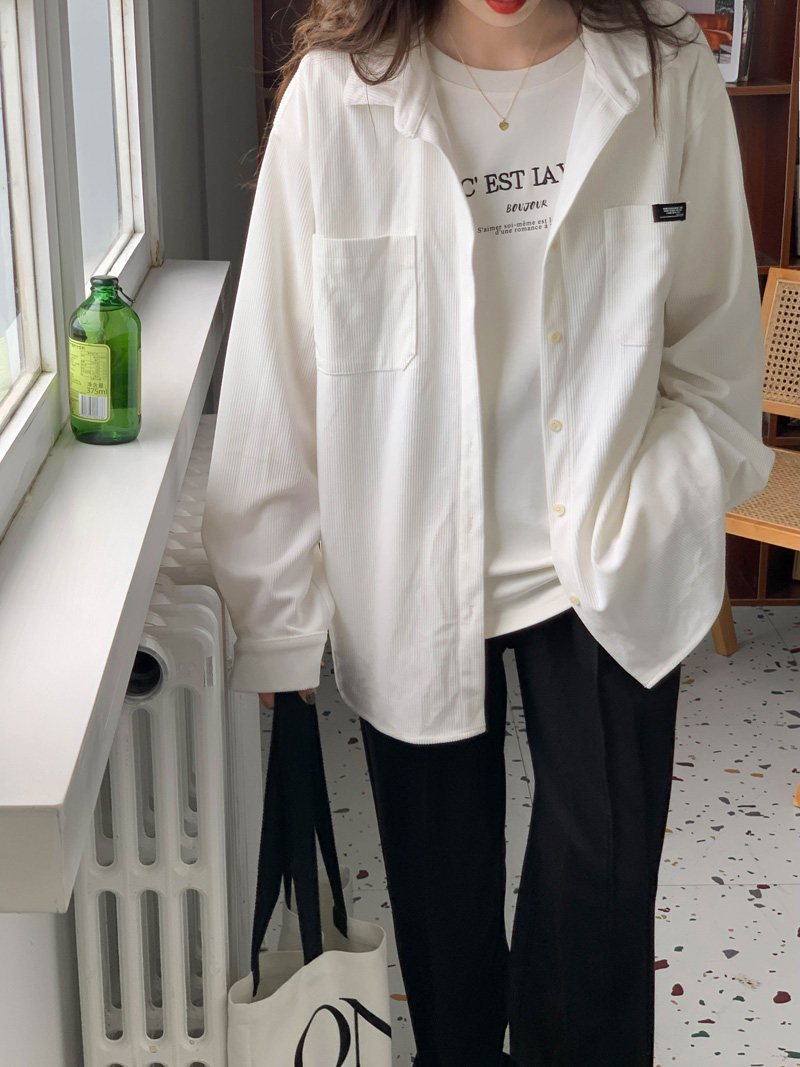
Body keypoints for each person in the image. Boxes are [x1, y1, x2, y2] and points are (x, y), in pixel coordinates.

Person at [200, 0, 775, 1062]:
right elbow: (277, 378)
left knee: (598, 926)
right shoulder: (339, 96)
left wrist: (671, 495)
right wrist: (275, 620)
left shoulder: (662, 69)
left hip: (608, 561)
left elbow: (712, 344)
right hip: (410, 576)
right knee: (443, 938)